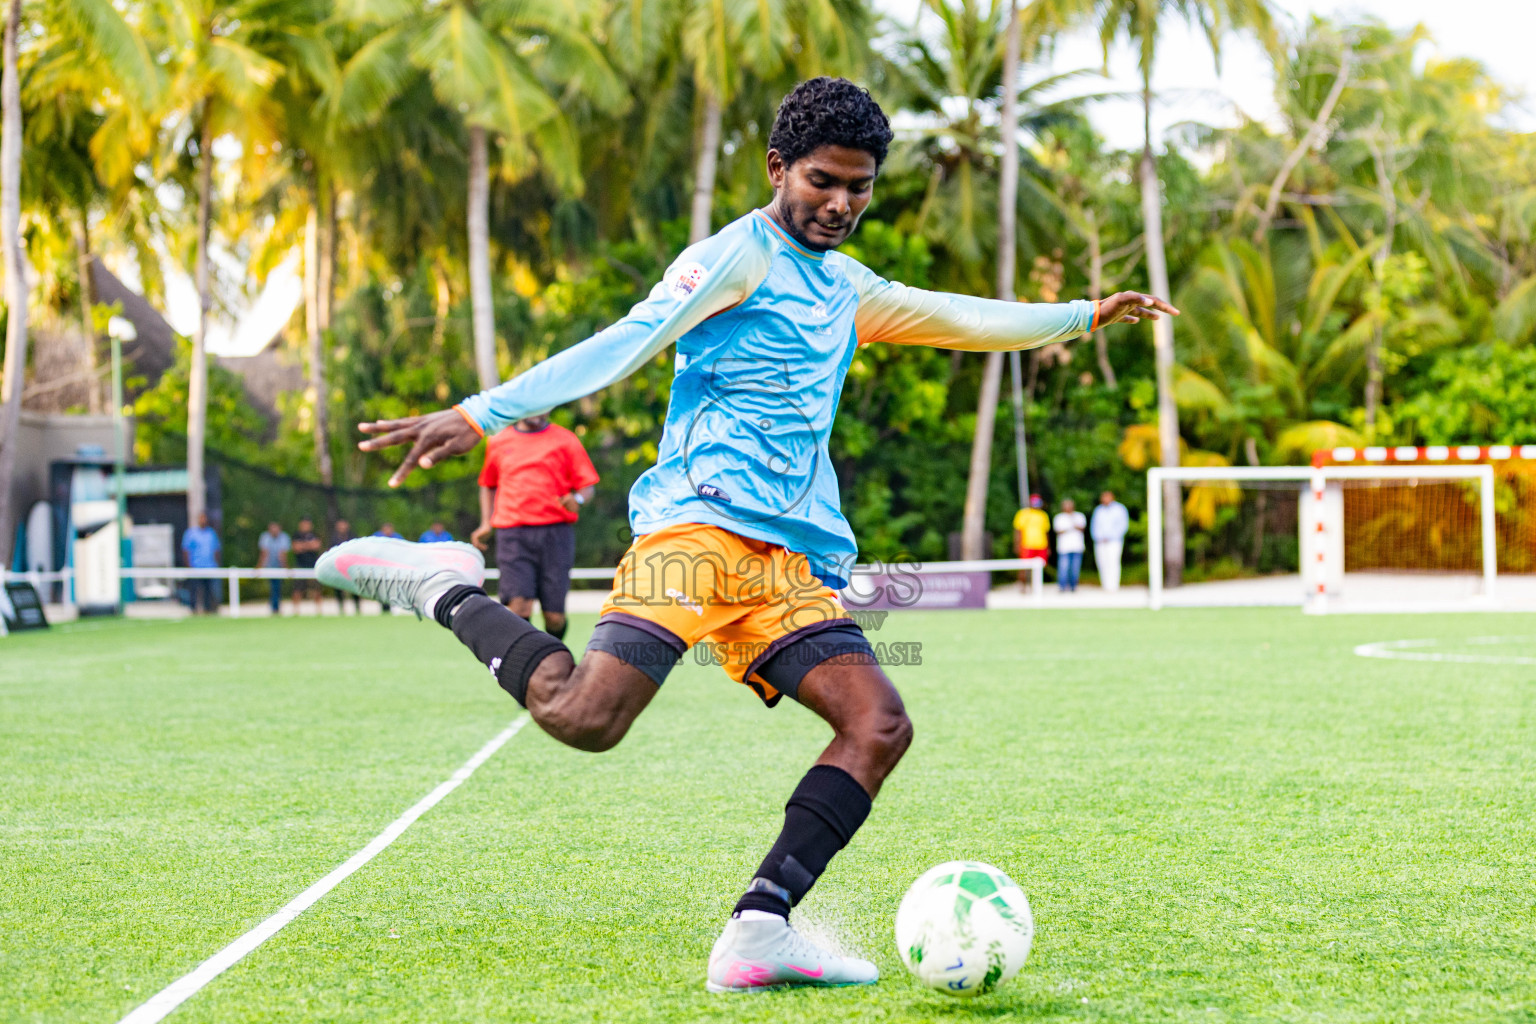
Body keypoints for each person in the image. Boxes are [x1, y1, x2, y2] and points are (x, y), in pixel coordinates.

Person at [318, 78, 1175, 993]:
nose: (839, 204)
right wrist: (481, 413)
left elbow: (959, 317)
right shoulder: (735, 256)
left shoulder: (849, 287)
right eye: (821, 181)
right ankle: (443, 586)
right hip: (694, 531)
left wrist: (1082, 315)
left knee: (878, 724)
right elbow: (627, 340)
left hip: (787, 562)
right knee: (586, 718)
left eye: (858, 187)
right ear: (777, 168)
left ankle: (760, 926)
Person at [469, 414, 599, 641]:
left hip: (555, 533)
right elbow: (488, 485)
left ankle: (554, 650)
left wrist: (577, 499)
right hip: (513, 533)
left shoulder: (565, 439)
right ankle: (526, 659)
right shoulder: (499, 440)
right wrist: (485, 523)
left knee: (554, 617)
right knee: (518, 607)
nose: (538, 413)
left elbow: (587, 486)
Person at [180, 512, 222, 614]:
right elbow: (186, 550)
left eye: (205, 518)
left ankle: (208, 609)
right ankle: (193, 609)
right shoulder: (191, 533)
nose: (203, 520)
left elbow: (216, 550)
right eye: (201, 518)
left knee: (208, 590)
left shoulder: (211, 533)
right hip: (196, 567)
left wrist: (217, 564)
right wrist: (189, 566)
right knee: (194, 590)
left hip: (210, 567)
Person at [1090, 491, 1129, 593]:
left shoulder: (1119, 509)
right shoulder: (1098, 510)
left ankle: (1113, 585)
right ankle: (1105, 585)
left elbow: (1123, 525)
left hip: (1114, 541)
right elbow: (1094, 526)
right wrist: (1097, 537)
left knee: (1113, 562)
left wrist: (1111, 536)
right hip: (1100, 541)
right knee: (1102, 562)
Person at [1011, 494, 1050, 587]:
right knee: (1024, 567)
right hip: (1027, 544)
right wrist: (1017, 544)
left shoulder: (1043, 515)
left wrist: (1048, 547)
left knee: (1039, 567)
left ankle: (1035, 586)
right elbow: (1018, 531)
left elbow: (1046, 532)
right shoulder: (1023, 513)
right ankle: (1023, 586)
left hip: (1041, 544)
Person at [291, 517, 323, 615]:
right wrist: (309, 545)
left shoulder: (315, 534)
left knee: (317, 588)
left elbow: (316, 546)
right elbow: (296, 548)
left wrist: (303, 545)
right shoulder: (296, 535)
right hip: (300, 565)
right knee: (297, 588)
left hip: (313, 565)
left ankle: (318, 611)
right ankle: (296, 611)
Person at [1053, 498, 1087, 593]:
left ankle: (1073, 586)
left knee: (1075, 568)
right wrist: (1071, 527)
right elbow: (1058, 531)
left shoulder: (1079, 516)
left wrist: (1071, 522)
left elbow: (1082, 528)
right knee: (1063, 568)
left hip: (1077, 547)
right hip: (1064, 547)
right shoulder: (1059, 517)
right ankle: (1062, 586)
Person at [257, 521, 291, 614]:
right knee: (274, 587)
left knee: (276, 587)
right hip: (269, 567)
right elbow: (264, 553)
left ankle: (275, 607)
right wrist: (259, 567)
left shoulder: (284, 537)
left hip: (279, 567)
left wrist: (286, 567)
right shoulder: (265, 537)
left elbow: (282, 555)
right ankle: (274, 607)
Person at [331, 519, 361, 614]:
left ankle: (357, 608)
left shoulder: (353, 537)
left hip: (351, 566)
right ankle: (341, 608)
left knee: (354, 587)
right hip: (338, 567)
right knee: (338, 588)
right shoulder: (334, 538)